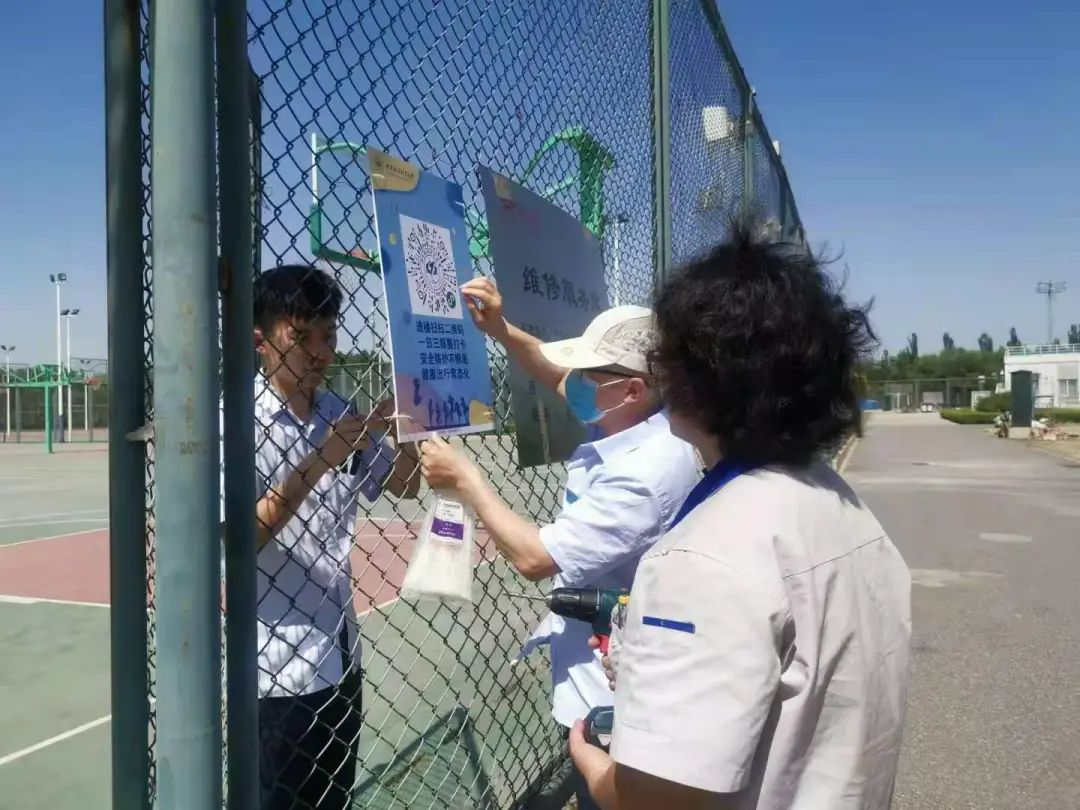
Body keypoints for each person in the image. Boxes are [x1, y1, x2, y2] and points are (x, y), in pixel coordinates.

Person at [569, 225, 912, 809]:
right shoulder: (840, 505)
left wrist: (597, 771)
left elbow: (659, 799)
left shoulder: (702, 557)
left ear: (696, 378)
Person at [419, 279, 700, 810]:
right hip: (606, 674)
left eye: (590, 375)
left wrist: (467, 480)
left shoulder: (648, 471)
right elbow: (555, 373)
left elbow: (536, 557)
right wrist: (501, 330)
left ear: (632, 390)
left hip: (615, 702)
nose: (575, 383)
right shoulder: (635, 419)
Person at [234, 264, 420, 809]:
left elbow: (404, 485)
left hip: (342, 658)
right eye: (302, 336)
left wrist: (405, 433)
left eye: (329, 335)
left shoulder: (339, 412)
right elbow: (239, 540)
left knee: (335, 799)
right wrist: (319, 460)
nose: (320, 352)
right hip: (279, 670)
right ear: (261, 340)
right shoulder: (236, 423)